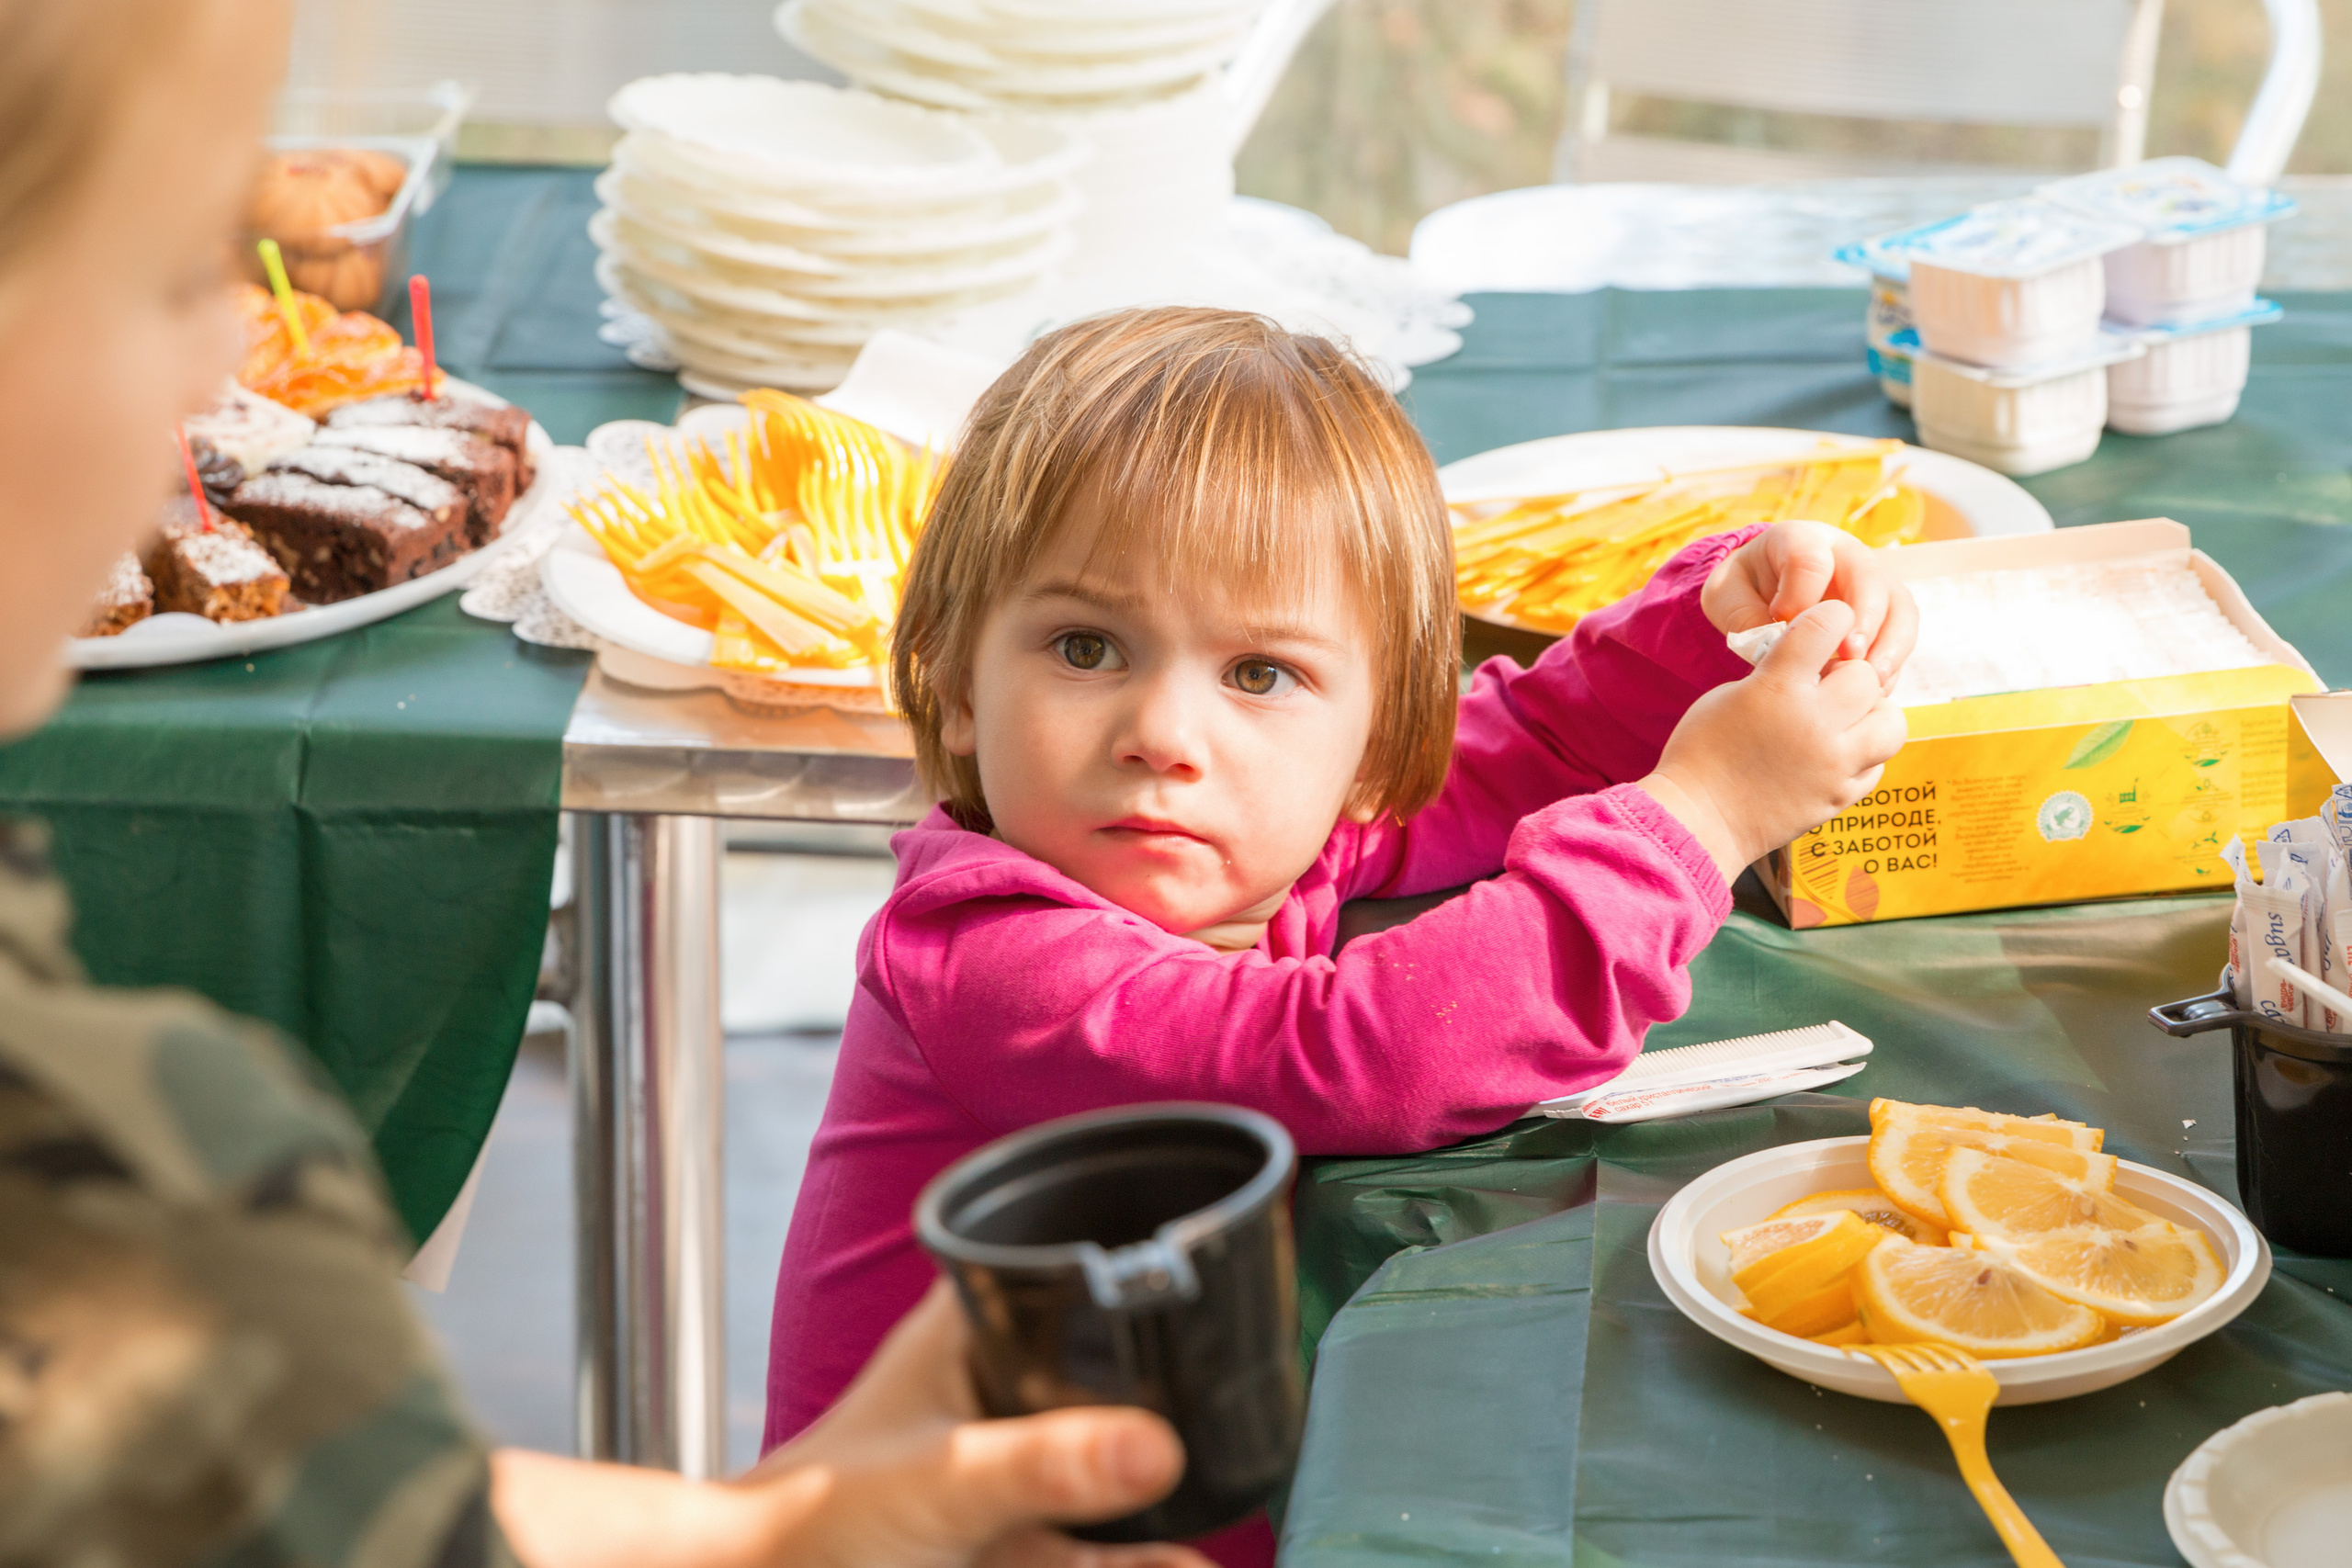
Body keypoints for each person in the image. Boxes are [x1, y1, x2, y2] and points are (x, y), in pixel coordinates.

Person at [0, 2, 1213, 1564]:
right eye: (183, 264)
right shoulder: (138, 1180)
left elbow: (249, 1474)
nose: (230, 349)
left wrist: (770, 1535)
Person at [762, 309, 1918, 1562]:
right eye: (1086, 647)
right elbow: (1374, 1050)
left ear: (1375, 749)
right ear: (950, 680)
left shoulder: (1265, 832)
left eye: (1259, 674)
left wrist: (1718, 621)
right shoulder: (987, 955)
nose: (1164, 731)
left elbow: (1533, 743)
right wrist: (1707, 812)